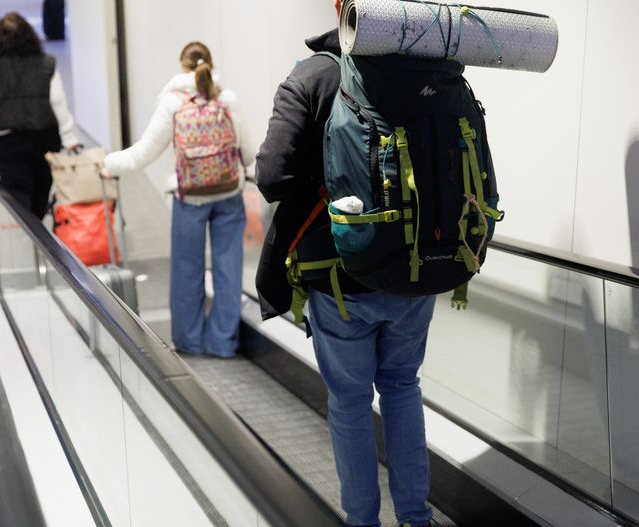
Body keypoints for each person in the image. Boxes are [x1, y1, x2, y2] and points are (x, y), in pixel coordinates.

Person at [255, 2, 434, 526]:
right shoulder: (430, 68)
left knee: (351, 403)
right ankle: (416, 518)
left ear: (343, 7)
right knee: (403, 386)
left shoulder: (315, 74)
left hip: (341, 279)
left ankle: (362, 521)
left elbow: (271, 175)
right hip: (416, 269)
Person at [102, 42, 247, 359]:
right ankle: (223, 343)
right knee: (228, 270)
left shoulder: (173, 102)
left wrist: (108, 164)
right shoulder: (228, 99)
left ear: (182, 67)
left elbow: (142, 154)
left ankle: (190, 342)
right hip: (229, 195)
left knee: (187, 269)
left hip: (189, 197)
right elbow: (246, 153)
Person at [0, 11, 79, 219]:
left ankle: (26, 230)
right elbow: (58, 102)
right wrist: (69, 137)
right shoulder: (46, 63)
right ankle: (38, 223)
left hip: (4, 138)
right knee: (41, 186)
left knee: (17, 190)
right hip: (45, 136)